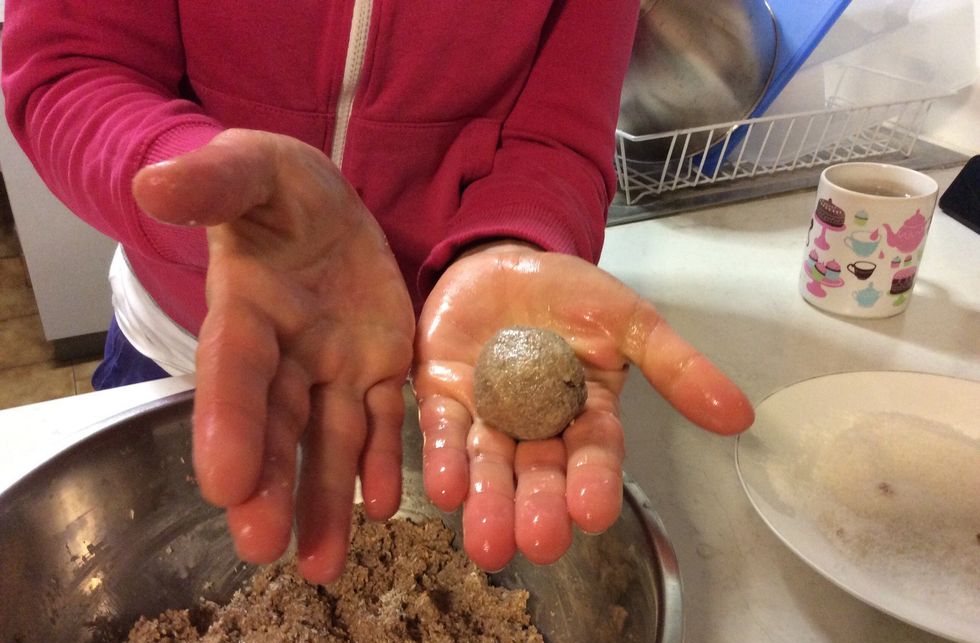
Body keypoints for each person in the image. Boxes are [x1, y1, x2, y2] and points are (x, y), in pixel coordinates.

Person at [2, 1, 755, 585]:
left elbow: (556, 141)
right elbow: (69, 66)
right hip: (178, 341)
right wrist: (204, 184)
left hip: (436, 366)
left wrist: (514, 245)